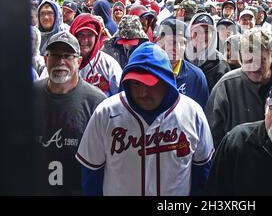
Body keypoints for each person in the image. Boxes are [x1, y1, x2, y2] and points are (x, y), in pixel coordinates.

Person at [76, 42, 214, 196]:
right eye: (135, 83)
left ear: (166, 81)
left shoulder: (192, 112)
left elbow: (202, 174)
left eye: (151, 84)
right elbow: (91, 175)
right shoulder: (106, 112)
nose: (142, 92)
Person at [33, 31, 106, 195]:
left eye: (68, 56)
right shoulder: (29, 95)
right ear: (45, 59)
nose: (61, 62)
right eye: (55, 55)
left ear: (79, 61)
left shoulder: (97, 102)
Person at [205, 27, 272, 149]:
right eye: (248, 61)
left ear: (271, 55)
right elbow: (211, 135)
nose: (254, 67)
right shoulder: (226, 86)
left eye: (261, 61)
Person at [156, 19, 209, 109]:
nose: (177, 48)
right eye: (172, 42)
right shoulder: (146, 71)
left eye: (182, 43)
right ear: (159, 42)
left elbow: (202, 114)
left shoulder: (196, 76)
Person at [69, 14, 122, 97]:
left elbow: (119, 97)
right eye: (81, 34)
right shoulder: (62, 61)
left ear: (97, 38)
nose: (85, 40)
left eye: (90, 35)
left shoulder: (108, 63)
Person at [185, 13, 231, 92]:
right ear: (189, 32)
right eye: (197, 30)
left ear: (213, 35)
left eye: (206, 31)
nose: (201, 35)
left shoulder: (221, 65)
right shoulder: (180, 58)